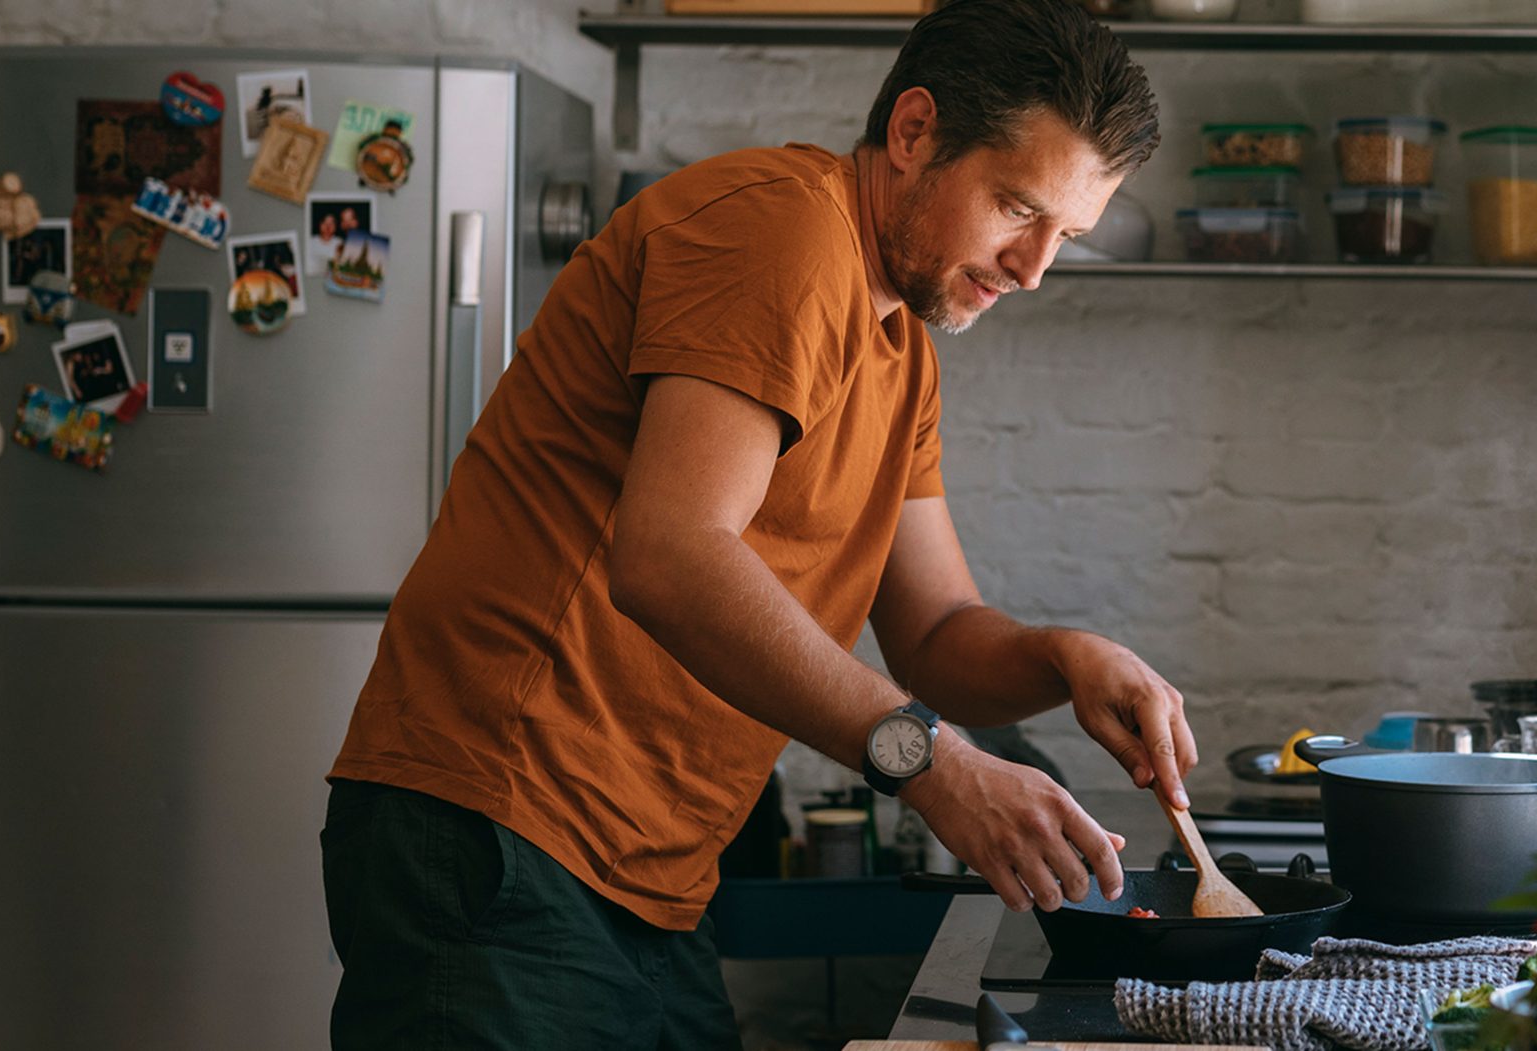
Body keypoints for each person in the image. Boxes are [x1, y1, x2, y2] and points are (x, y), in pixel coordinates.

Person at [319, 2, 1180, 1047]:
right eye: (1015, 207)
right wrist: (933, 765)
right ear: (913, 134)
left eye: (1066, 235)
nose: (1034, 265)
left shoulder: (901, 352)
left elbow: (936, 633)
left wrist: (1068, 656)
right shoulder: (781, 229)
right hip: (501, 830)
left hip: (643, 874)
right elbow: (671, 558)